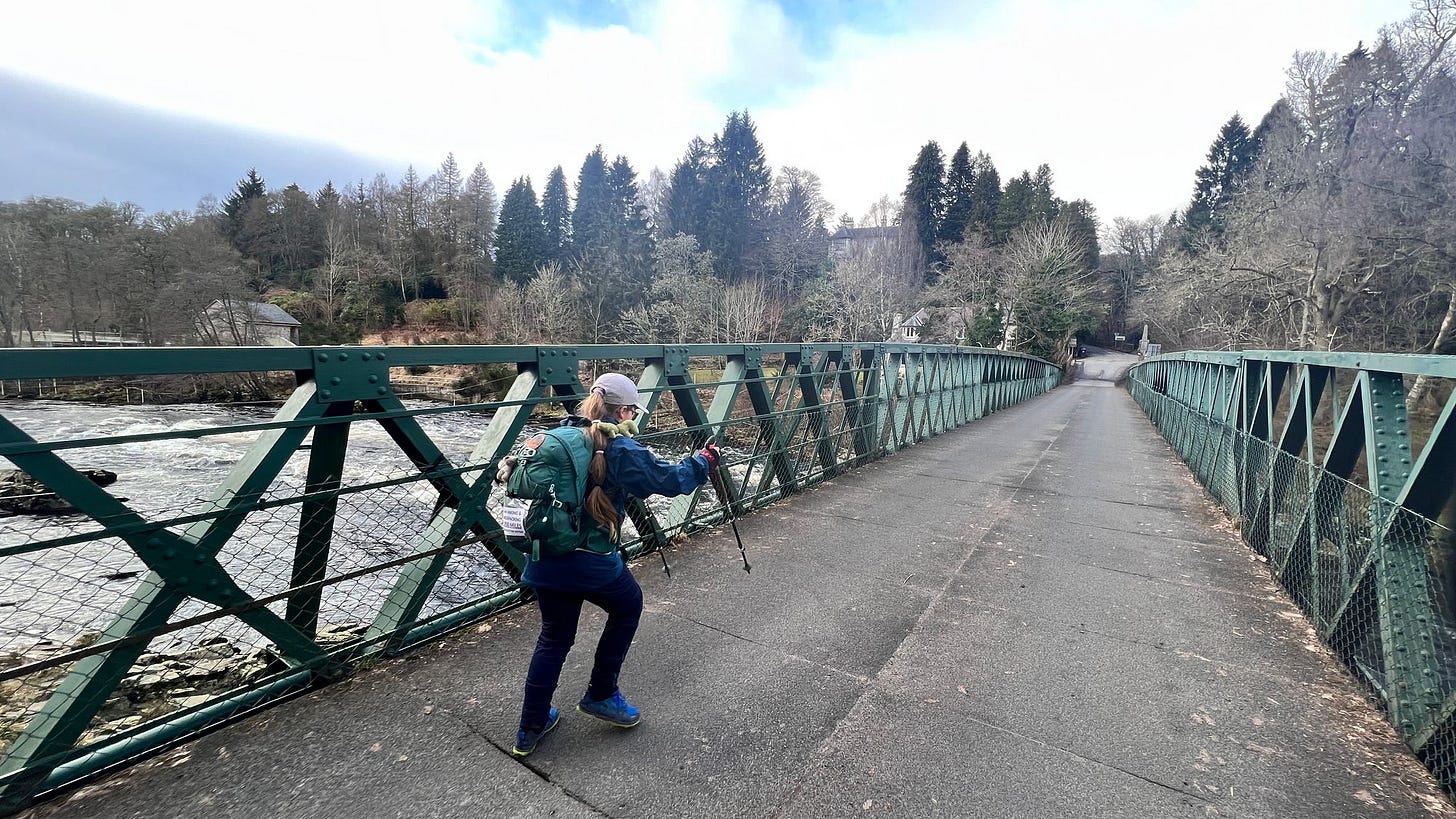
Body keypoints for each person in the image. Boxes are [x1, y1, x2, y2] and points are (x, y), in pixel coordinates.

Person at [510, 372, 720, 758]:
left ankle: (530, 727)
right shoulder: (620, 448)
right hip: (592, 561)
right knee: (628, 606)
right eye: (632, 410)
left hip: (544, 558)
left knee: (554, 638)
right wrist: (704, 461)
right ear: (623, 410)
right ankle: (601, 694)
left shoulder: (563, 434)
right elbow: (670, 480)